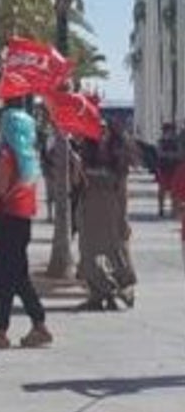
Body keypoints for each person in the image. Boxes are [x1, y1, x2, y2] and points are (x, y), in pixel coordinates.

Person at [0, 109, 53, 349]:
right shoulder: (28, 156)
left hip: (4, 219)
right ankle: (34, 324)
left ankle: (2, 330)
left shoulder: (5, 155)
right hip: (20, 220)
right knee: (16, 275)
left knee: (2, 276)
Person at [78, 126, 137, 310]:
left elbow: (123, 193)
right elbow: (77, 184)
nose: (102, 134)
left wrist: (124, 219)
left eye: (105, 131)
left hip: (112, 212)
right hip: (89, 211)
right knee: (88, 253)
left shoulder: (118, 163)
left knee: (116, 251)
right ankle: (99, 293)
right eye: (98, 131)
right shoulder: (87, 159)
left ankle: (123, 288)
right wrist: (76, 166)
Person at [156, 122, 181, 218]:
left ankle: (173, 209)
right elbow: (159, 153)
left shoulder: (176, 142)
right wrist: (172, 155)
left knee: (174, 190)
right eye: (166, 131)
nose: (168, 133)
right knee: (162, 190)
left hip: (174, 169)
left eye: (170, 131)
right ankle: (161, 208)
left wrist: (168, 155)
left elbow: (179, 154)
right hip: (163, 169)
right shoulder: (161, 141)